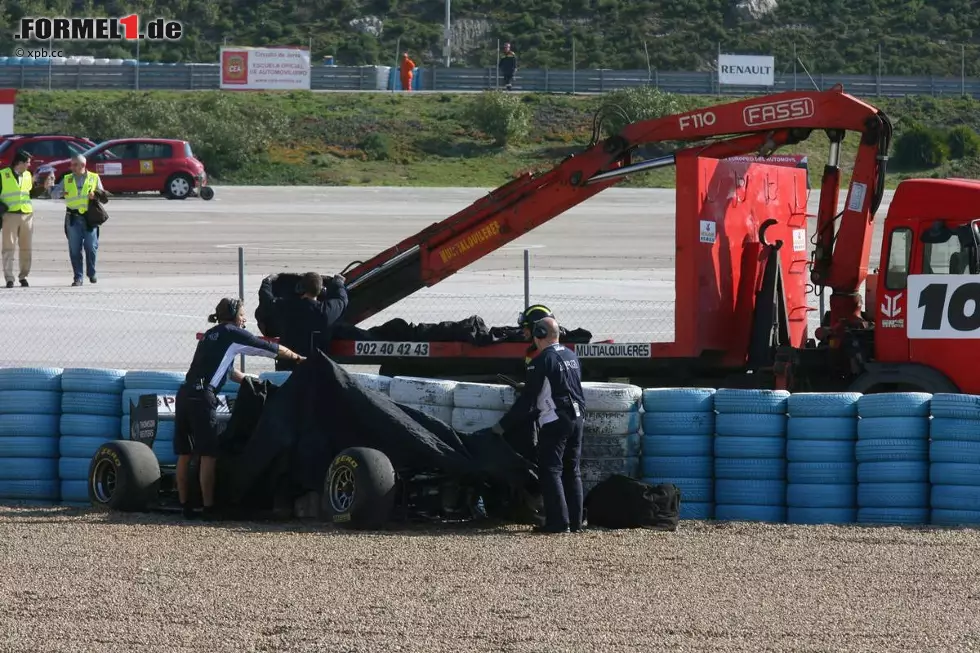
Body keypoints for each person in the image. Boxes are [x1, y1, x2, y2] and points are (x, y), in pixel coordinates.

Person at [175, 297, 304, 519]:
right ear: (234, 315)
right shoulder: (232, 333)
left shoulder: (209, 336)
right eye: (243, 314)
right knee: (208, 454)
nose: (245, 319)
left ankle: (185, 506)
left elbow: (227, 371)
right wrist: (297, 357)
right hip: (202, 397)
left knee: (184, 454)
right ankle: (208, 508)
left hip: (184, 394)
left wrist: (250, 381)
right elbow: (269, 348)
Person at [491, 316, 586, 534]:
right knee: (572, 470)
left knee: (550, 470)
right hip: (578, 417)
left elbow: (527, 403)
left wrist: (501, 427)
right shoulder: (571, 355)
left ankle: (558, 524)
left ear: (540, 336)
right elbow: (561, 384)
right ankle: (576, 523)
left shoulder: (540, 361)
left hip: (555, 420)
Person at [259, 271, 349, 371]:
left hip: (288, 366)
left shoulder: (286, 307)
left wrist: (267, 282)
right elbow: (341, 300)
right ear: (321, 290)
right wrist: (339, 284)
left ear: (300, 288)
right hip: (316, 369)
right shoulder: (326, 311)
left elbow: (267, 299)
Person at [49, 154, 108, 286]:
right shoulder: (67, 179)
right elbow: (53, 194)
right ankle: (78, 277)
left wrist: (95, 195)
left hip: (89, 219)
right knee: (75, 249)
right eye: (71, 164)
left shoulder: (94, 177)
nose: (72, 167)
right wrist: (59, 192)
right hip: (73, 219)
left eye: (75, 164)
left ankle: (91, 272)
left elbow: (104, 196)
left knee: (91, 247)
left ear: (83, 165)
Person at [1, 150, 53, 288]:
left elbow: (30, 193)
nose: (30, 165)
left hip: (26, 215)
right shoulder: (2, 175)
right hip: (9, 215)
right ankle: (9, 278)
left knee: (26, 248)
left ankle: (23, 276)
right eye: (28, 162)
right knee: (8, 247)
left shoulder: (28, 175)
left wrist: (43, 187)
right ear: (20, 163)